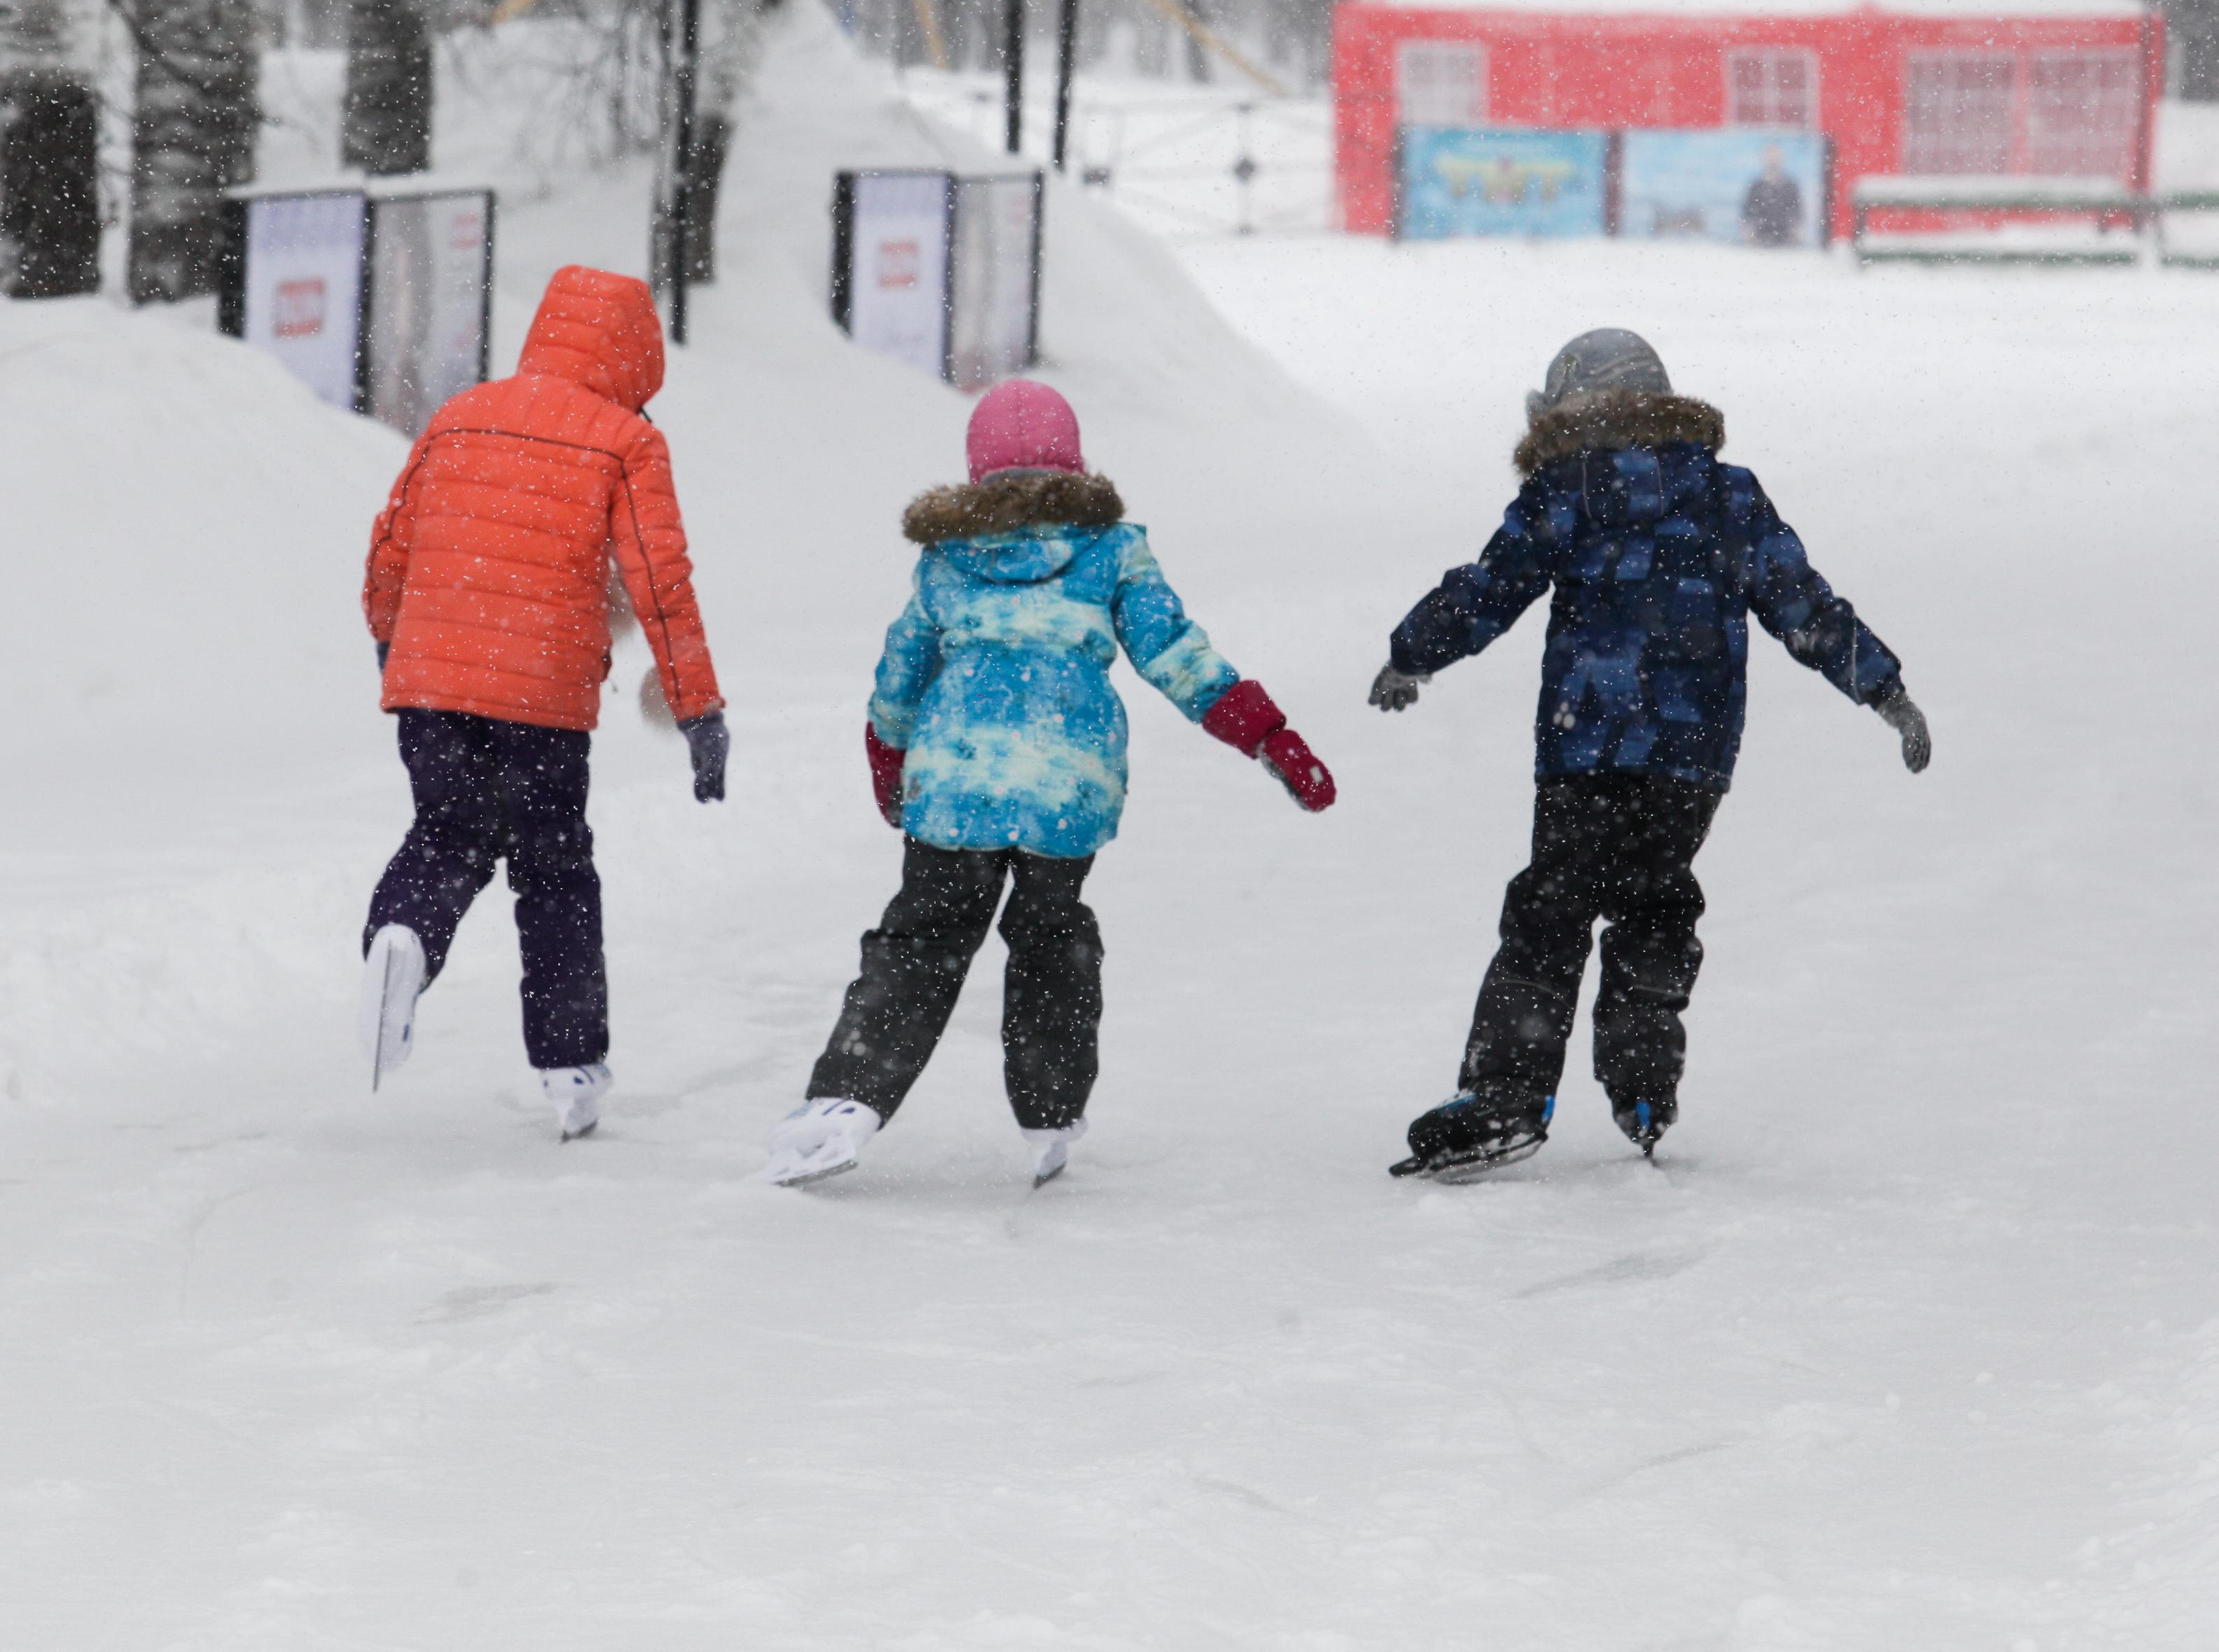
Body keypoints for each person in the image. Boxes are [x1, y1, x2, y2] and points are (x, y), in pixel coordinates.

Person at [1370, 329, 1928, 1181]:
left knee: (1550, 913)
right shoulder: (1725, 494)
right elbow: (1800, 600)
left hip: (1584, 745)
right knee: (1655, 904)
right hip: (1690, 757)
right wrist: (1881, 686)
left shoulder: (1568, 489)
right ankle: (1643, 1086)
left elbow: (1489, 587)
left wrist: (1414, 652)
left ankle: (1506, 1097)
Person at [762, 378, 1336, 1189]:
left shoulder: (946, 559)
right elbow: (1179, 656)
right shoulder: (1111, 551)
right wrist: (1269, 735)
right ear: (1075, 463)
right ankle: (1050, 1108)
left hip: (955, 783)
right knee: (1048, 936)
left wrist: (889, 764)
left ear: (976, 470)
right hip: (1069, 784)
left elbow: (899, 678)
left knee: (922, 941)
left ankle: (846, 1099)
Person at [357, 266, 728, 1141]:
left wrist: (393, 640)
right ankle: (570, 1064)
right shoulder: (625, 442)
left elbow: (391, 545)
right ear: (636, 358)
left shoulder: (458, 414)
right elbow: (659, 582)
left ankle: (401, 936)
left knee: (446, 830)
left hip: (431, 680)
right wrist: (698, 707)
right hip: (541, 696)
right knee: (554, 869)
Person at [1740, 143, 1805, 247]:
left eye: (1776, 158)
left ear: (1782, 160)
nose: (1773, 162)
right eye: (1770, 158)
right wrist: (1749, 235)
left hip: (1787, 242)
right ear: (1764, 160)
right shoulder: (1756, 186)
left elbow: (1798, 214)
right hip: (1760, 241)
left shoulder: (1790, 186)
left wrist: (1797, 234)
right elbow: (1747, 214)